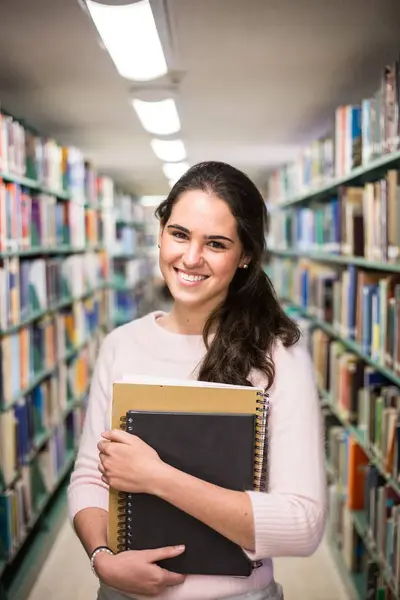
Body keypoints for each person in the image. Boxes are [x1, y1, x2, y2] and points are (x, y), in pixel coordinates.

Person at [67, 161, 327, 600]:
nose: (190, 258)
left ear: (246, 255)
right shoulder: (120, 345)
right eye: (180, 234)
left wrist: (157, 477)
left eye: (217, 243)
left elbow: (303, 524)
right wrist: (102, 559)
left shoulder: (278, 357)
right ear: (161, 233)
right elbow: (91, 476)